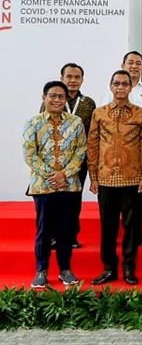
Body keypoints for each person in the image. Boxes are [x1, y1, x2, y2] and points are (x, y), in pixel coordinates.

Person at [88, 70, 142, 285]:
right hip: (106, 179)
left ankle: (128, 266)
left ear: (130, 87)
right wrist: (93, 176)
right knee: (108, 226)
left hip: (133, 179)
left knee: (133, 226)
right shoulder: (99, 113)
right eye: (117, 83)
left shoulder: (140, 114)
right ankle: (108, 268)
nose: (121, 87)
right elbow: (93, 146)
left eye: (125, 84)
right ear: (111, 86)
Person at [23, 81, 87, 288]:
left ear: (66, 99)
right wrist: (52, 175)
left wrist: (65, 174)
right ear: (44, 98)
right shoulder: (33, 123)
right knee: (44, 230)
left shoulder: (76, 122)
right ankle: (41, 271)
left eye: (61, 96)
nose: (57, 100)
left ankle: (65, 270)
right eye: (53, 96)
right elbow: (29, 154)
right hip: (43, 186)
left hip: (69, 186)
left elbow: (81, 152)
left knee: (66, 230)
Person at [100, 51, 142, 220]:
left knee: (138, 192)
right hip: (116, 148)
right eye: (130, 63)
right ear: (123, 66)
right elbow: (104, 117)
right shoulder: (110, 90)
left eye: (138, 63)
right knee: (115, 194)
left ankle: (137, 232)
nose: (134, 66)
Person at [58, 62, 96, 248]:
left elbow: (93, 132)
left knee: (74, 199)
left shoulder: (88, 103)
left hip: (79, 160)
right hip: (55, 161)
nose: (73, 81)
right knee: (55, 200)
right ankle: (54, 236)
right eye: (69, 77)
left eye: (77, 77)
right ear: (62, 78)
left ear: (82, 80)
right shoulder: (53, 99)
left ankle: (71, 236)